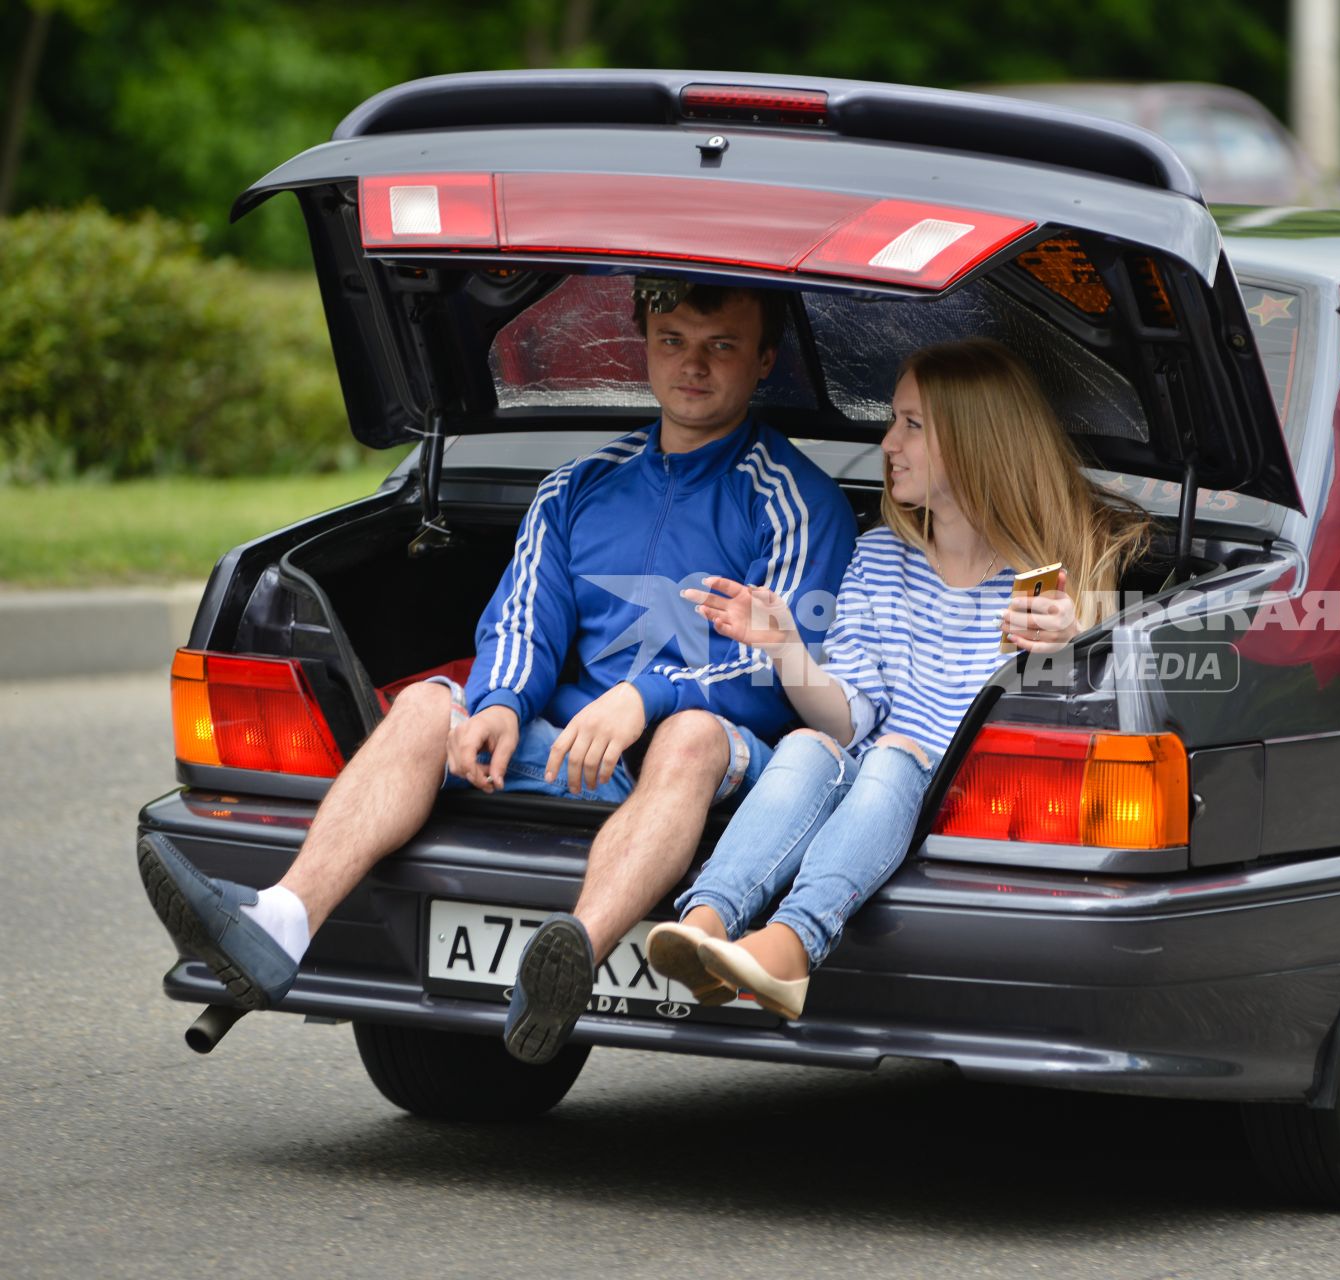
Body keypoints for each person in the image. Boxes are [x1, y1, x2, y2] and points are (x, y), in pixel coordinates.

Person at [139, 282, 858, 1064]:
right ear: (642, 344)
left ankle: (570, 960)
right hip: (567, 745)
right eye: (672, 339)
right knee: (422, 707)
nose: (692, 365)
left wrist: (644, 697)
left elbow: (777, 665)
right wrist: (503, 702)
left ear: (762, 361)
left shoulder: (796, 501)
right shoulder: (578, 487)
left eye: (720, 345)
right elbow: (522, 617)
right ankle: (280, 921)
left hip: (710, 756)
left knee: (687, 735)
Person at [643, 337, 1151, 1019]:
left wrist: (1068, 642)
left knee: (893, 754)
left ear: (975, 443)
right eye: (894, 420)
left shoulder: (1040, 571)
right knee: (806, 746)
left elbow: (1052, 710)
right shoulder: (881, 554)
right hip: (872, 781)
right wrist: (786, 647)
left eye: (911, 425)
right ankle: (706, 926)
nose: (888, 442)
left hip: (956, 792)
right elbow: (848, 720)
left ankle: (792, 945)